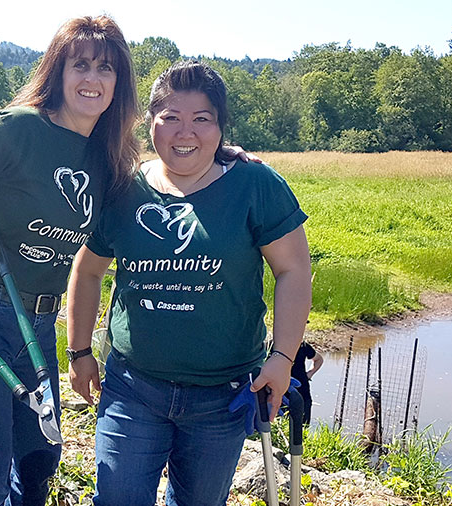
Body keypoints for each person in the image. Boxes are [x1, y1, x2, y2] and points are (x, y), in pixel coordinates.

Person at [0, 16, 141, 506]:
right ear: (57, 71)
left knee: (39, 460)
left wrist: (222, 154)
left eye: (105, 68)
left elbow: (167, 171)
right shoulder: (14, 129)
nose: (92, 79)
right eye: (80, 65)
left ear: (119, 82)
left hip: (36, 322)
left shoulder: (109, 154)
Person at [66, 60, 312, 506]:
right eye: (171, 118)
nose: (186, 133)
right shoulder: (123, 188)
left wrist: (281, 357)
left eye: (202, 119)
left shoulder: (255, 185)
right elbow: (87, 270)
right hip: (132, 387)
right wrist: (80, 351)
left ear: (221, 128)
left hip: (224, 394)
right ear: (151, 123)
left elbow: (293, 270)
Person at [291, 340, 323, 425]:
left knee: (303, 424)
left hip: (302, 390)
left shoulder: (303, 346)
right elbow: (319, 359)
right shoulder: (273, 345)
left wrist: (309, 374)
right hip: (282, 392)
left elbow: (319, 359)